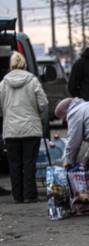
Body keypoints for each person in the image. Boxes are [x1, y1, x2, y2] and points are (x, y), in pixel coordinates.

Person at [0, 52, 48, 203]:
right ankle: (29, 195)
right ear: (25, 64)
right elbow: (43, 103)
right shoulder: (33, 81)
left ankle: (17, 196)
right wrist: (37, 113)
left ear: (10, 65)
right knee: (29, 163)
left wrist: (6, 112)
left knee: (14, 164)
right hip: (31, 129)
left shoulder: (3, 83)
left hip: (11, 130)